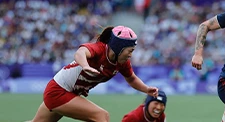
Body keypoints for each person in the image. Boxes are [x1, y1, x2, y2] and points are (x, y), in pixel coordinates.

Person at [30, 25, 159, 122]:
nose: (131, 55)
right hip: (58, 91)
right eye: (130, 50)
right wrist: (85, 66)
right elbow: (79, 53)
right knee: (101, 116)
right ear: (119, 47)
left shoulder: (122, 62)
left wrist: (146, 89)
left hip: (68, 93)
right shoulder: (99, 49)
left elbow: (131, 78)